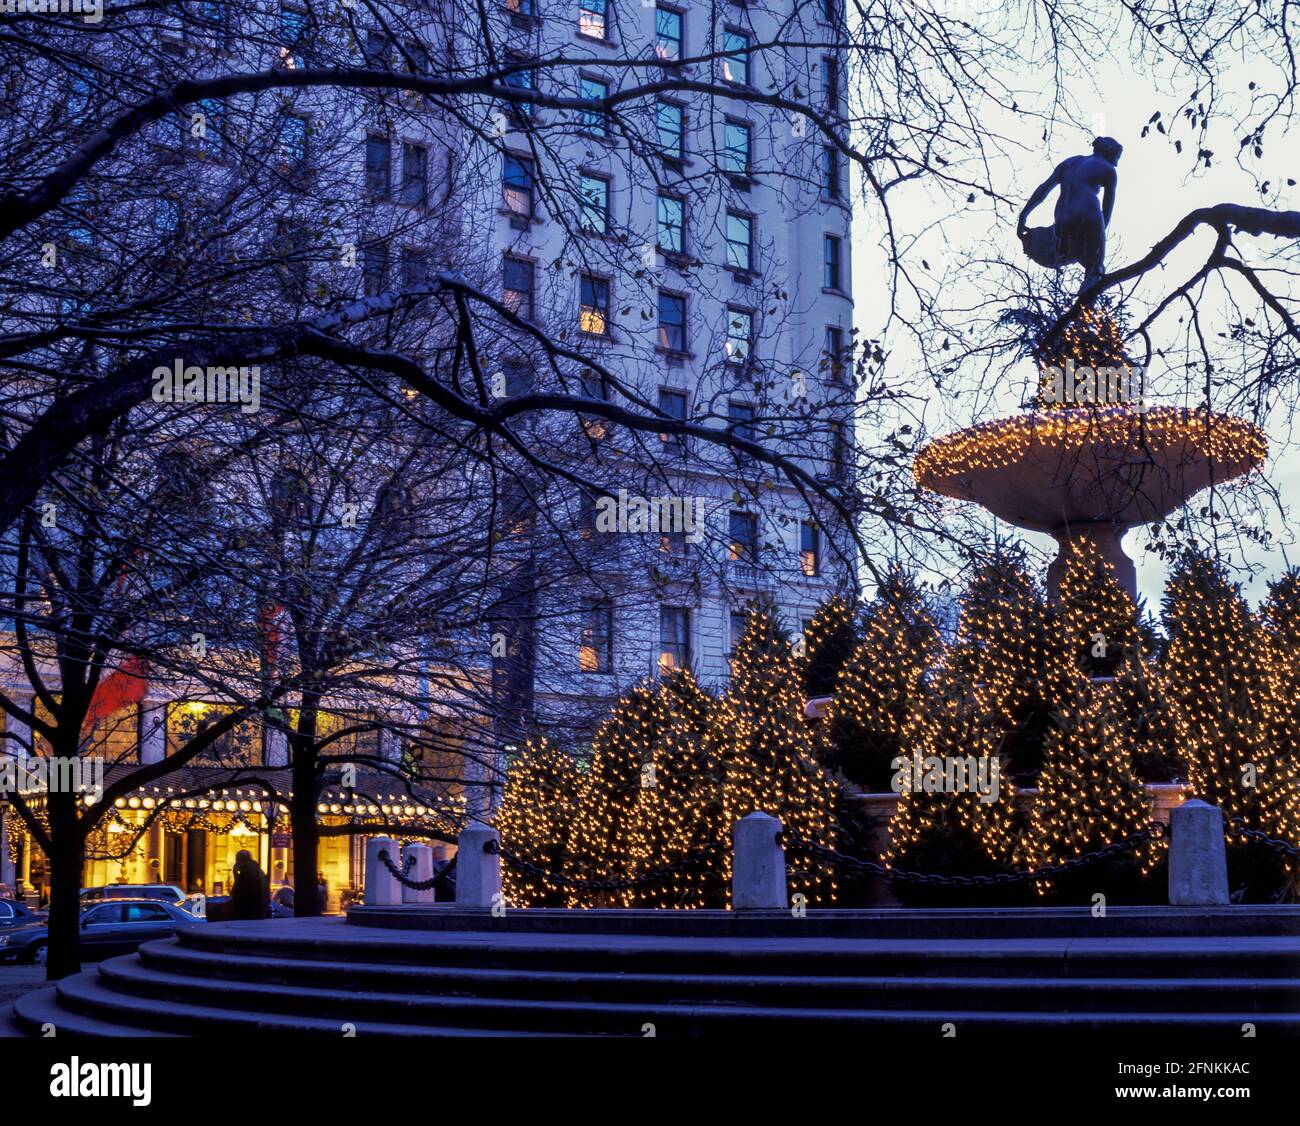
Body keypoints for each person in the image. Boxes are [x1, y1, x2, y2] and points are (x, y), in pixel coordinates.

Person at [1018, 136, 1122, 288]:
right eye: (1118, 156)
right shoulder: (1108, 170)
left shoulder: (1071, 162)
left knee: (1075, 252)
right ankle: (1090, 289)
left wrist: (1024, 214)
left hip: (1063, 218)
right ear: (1108, 149)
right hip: (1089, 212)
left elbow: (1043, 189)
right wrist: (1099, 239)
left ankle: (1086, 288)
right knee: (1095, 266)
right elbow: (1107, 209)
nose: (1117, 162)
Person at [229, 849, 268, 920]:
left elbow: (238, 893)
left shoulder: (247, 873)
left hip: (248, 914)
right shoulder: (257, 871)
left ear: (240, 861)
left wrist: (236, 875)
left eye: (237, 861)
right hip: (258, 913)